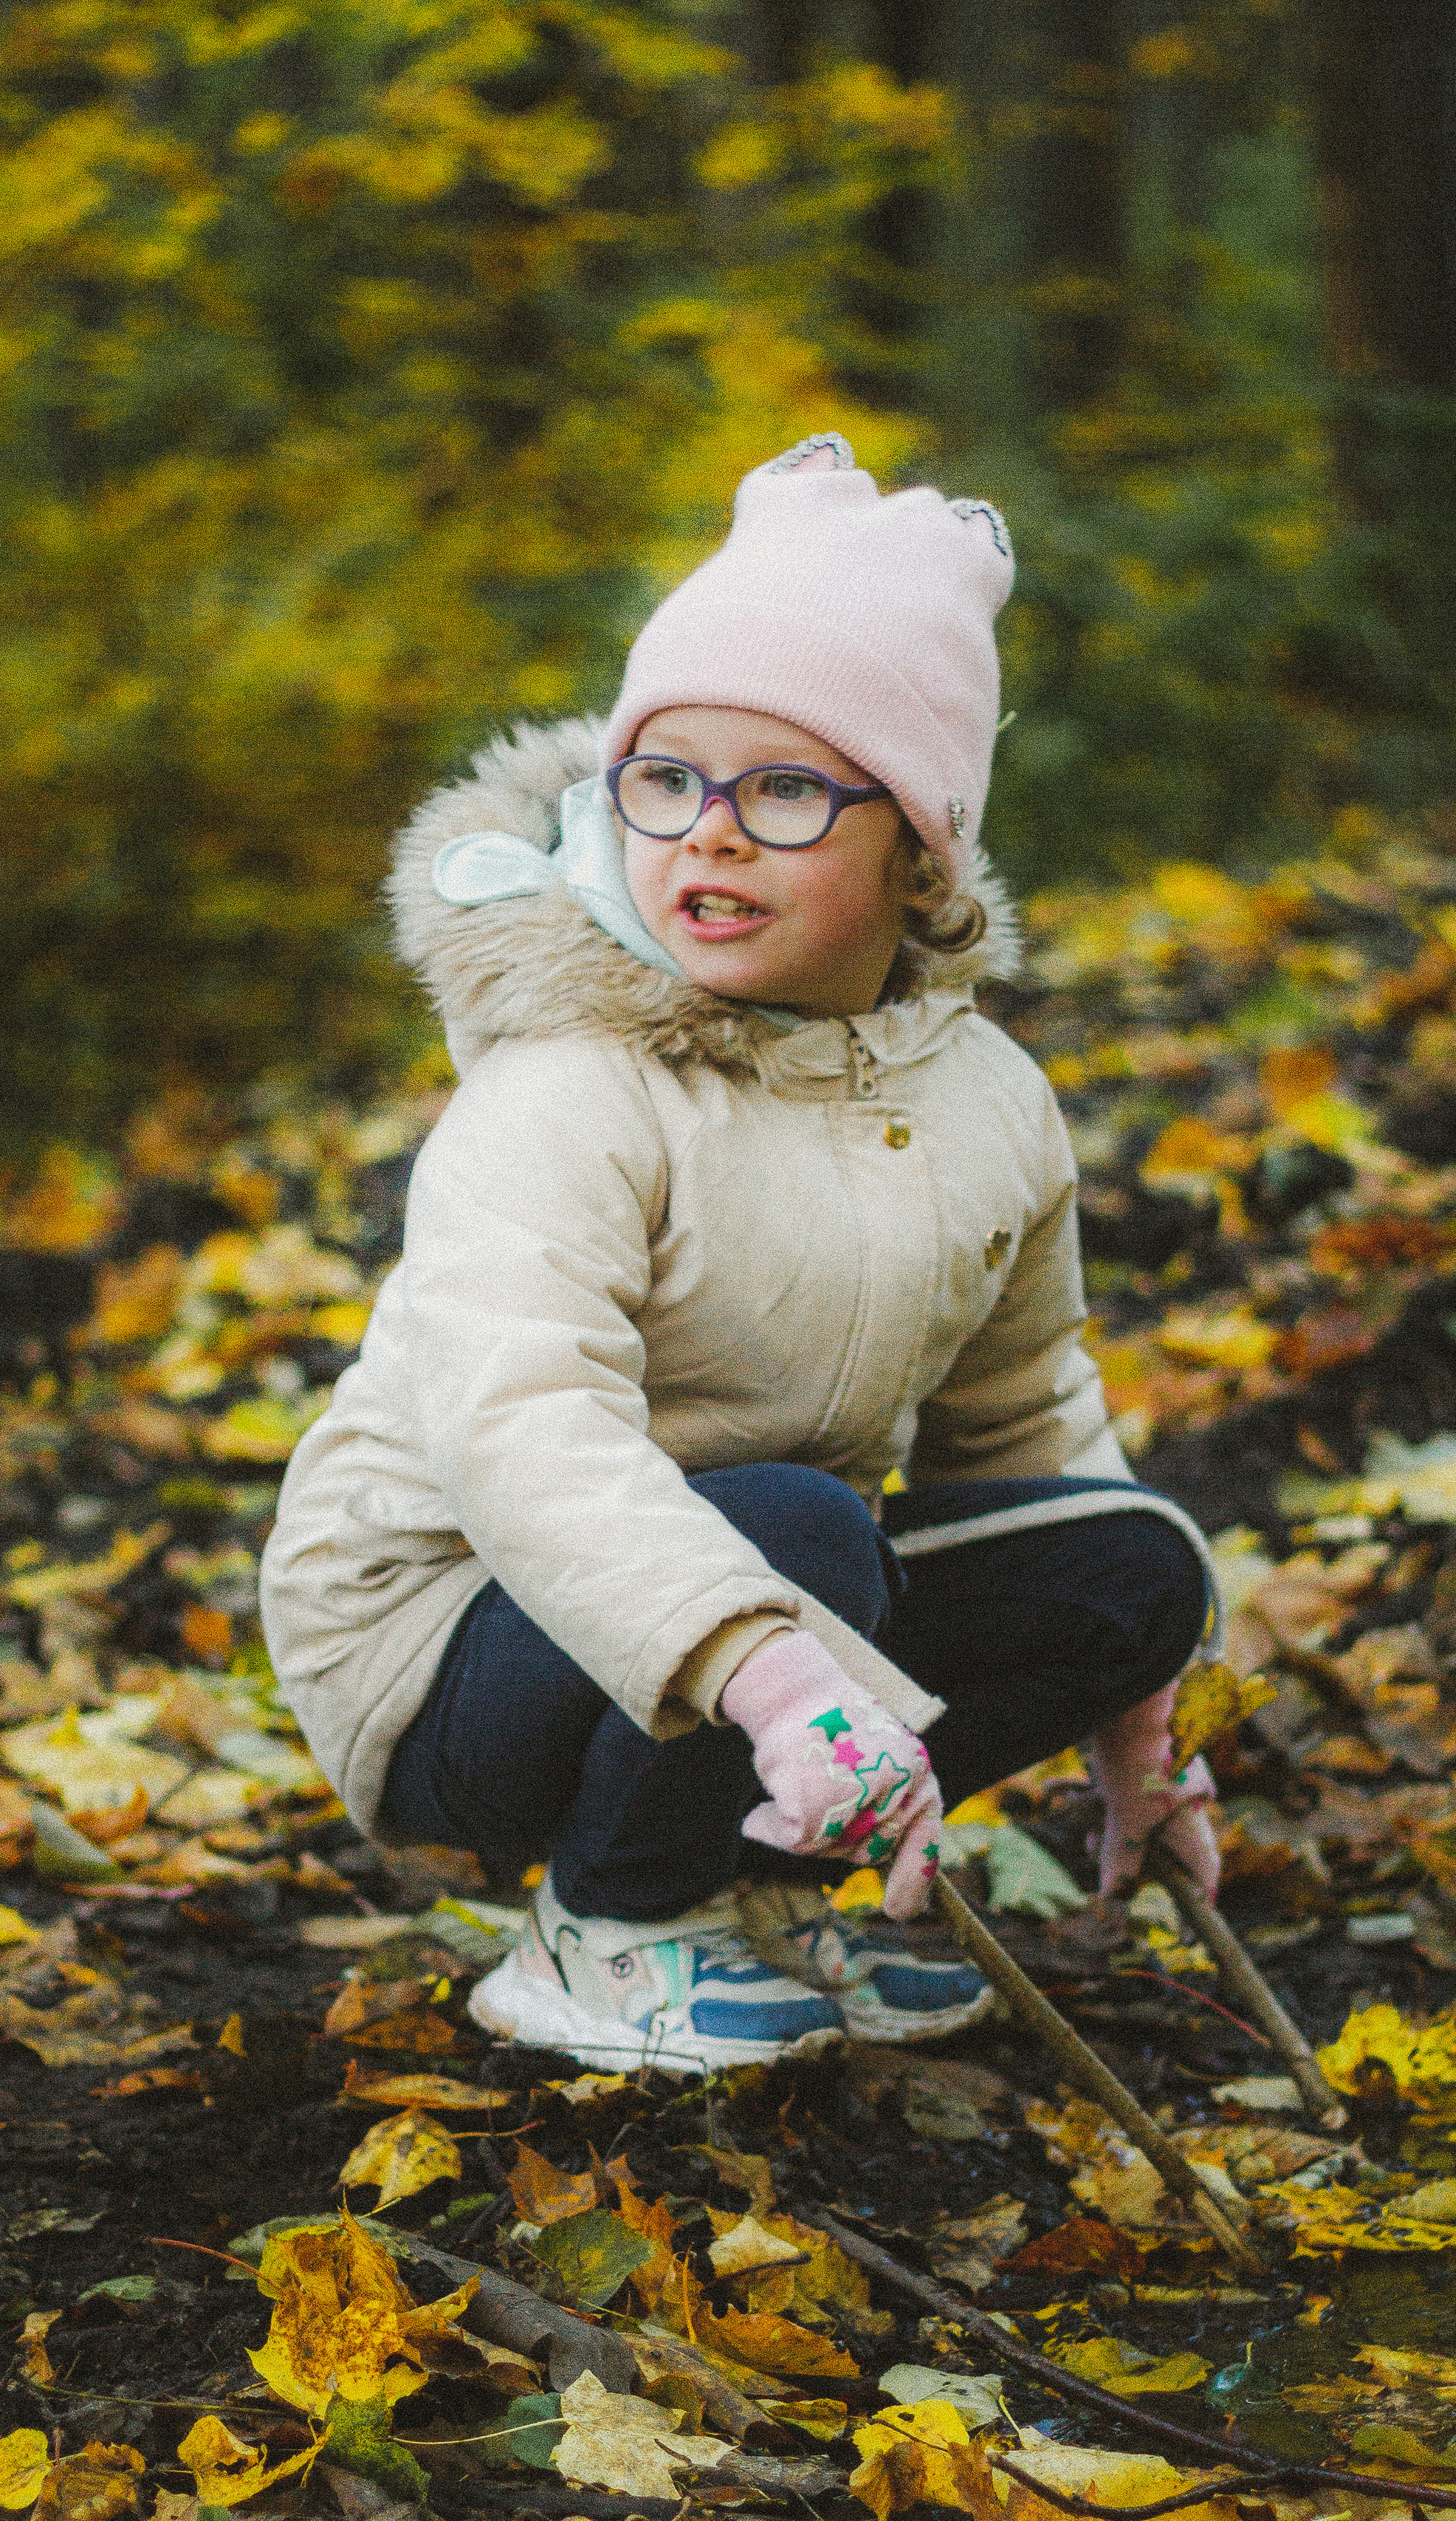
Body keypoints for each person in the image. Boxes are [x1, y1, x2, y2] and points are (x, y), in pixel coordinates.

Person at [261, 432, 1223, 2076]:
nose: (705, 835)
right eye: (664, 778)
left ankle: (764, 1892)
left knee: (1134, 1557)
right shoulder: (569, 1091)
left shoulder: (986, 1101)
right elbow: (522, 1432)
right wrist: (770, 1677)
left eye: (784, 790)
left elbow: (1023, 1424)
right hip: (454, 1637)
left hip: (770, 1614)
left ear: (920, 849)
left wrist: (1136, 1712)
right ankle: (615, 1920)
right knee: (799, 1527)